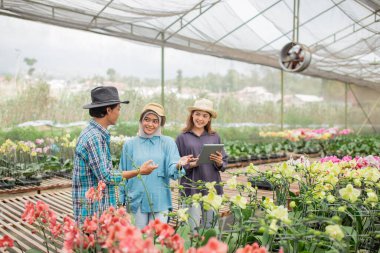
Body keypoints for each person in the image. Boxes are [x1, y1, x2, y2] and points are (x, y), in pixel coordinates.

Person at [72, 86, 158, 224]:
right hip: (93, 213)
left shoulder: (95, 133)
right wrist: (139, 171)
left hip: (98, 210)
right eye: (118, 109)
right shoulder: (94, 138)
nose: (119, 113)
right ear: (108, 110)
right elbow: (106, 177)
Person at [119, 102, 193, 229]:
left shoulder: (168, 143)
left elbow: (172, 168)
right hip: (136, 200)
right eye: (146, 119)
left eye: (155, 121)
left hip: (160, 200)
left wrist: (178, 165)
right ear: (141, 120)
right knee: (138, 241)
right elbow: (122, 172)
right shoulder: (130, 144)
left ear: (160, 124)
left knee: (158, 240)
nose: (150, 124)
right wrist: (121, 201)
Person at [175, 98, 228, 230]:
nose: (200, 118)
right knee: (189, 229)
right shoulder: (182, 137)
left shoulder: (214, 136)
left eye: (205, 116)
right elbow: (175, 165)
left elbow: (223, 164)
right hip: (189, 188)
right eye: (197, 114)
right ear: (192, 115)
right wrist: (191, 164)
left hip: (212, 189)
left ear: (209, 119)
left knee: (211, 229)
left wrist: (219, 162)